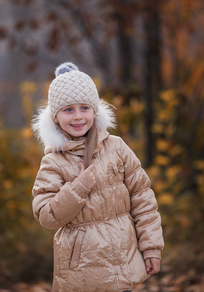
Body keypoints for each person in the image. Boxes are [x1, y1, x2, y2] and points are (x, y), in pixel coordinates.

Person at [31, 62, 164, 292]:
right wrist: (78, 189)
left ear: (94, 110)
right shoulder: (53, 162)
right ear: (55, 116)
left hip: (123, 265)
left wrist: (151, 247)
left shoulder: (117, 148)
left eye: (84, 108)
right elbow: (46, 215)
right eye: (68, 110)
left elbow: (143, 199)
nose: (78, 117)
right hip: (83, 275)